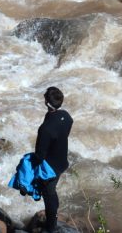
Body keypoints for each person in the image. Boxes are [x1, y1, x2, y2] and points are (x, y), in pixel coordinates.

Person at [30, 86, 73, 233]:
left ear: (47, 103)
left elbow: (40, 155)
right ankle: (52, 218)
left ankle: (51, 227)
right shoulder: (66, 117)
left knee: (49, 194)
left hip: (50, 168)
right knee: (52, 191)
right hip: (62, 162)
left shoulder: (46, 129)